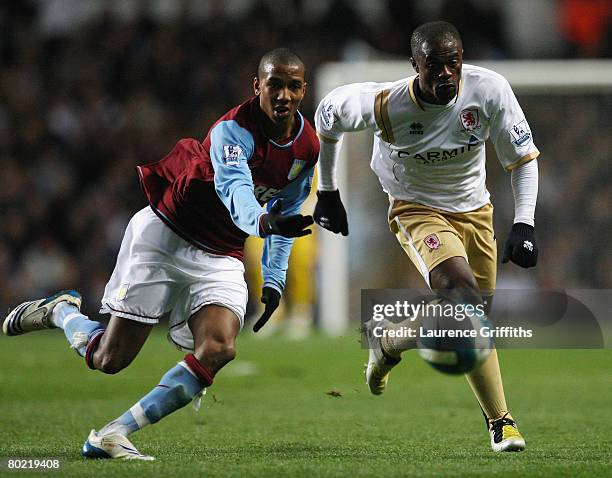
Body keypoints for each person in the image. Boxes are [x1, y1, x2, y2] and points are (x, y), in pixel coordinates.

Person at [3, 48, 318, 460]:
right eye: (274, 84)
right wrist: (263, 223)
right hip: (167, 235)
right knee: (109, 359)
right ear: (257, 86)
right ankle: (62, 311)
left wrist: (275, 278)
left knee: (221, 346)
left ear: (303, 90)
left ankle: (114, 434)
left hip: (220, 253)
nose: (283, 95)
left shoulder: (307, 146)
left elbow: (289, 212)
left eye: (293, 86)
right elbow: (236, 191)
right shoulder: (232, 131)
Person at [313, 21, 539, 452]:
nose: (445, 74)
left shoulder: (489, 91)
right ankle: (502, 422)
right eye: (433, 66)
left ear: (462, 59)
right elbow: (327, 117)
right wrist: (326, 191)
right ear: (414, 65)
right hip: (415, 209)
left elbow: (522, 160)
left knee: (473, 321)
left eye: (452, 63)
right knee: (463, 297)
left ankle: (389, 340)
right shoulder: (383, 103)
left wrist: (524, 222)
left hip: (476, 212)